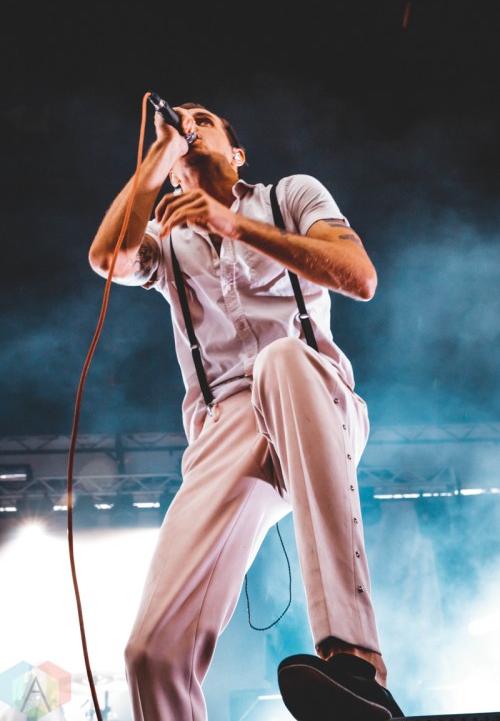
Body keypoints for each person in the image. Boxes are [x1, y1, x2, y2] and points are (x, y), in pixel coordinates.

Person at [88, 100, 405, 721]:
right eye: (182, 123)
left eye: (202, 120)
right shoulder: (166, 238)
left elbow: (360, 277)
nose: (189, 125)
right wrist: (161, 153)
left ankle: (355, 662)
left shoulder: (289, 196)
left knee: (280, 359)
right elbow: (108, 259)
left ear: (237, 154)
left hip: (312, 394)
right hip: (224, 428)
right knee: (151, 654)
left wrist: (234, 225)